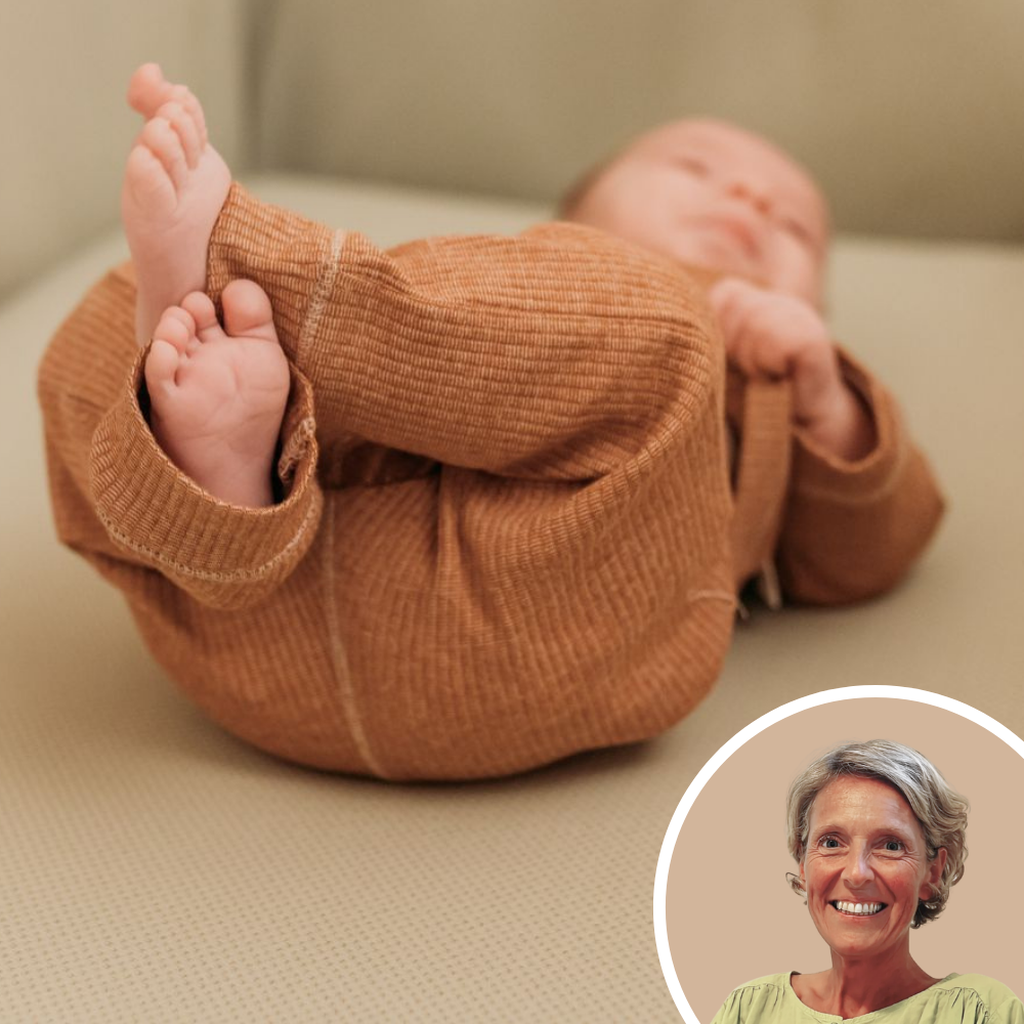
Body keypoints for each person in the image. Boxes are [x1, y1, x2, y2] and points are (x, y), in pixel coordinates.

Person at [37, 65, 941, 780]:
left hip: (543, 631)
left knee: (666, 326)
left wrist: (832, 404)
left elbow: (875, 548)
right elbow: (484, 323)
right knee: (98, 339)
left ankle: (233, 281)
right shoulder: (506, 294)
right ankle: (224, 474)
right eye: (695, 170)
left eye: (794, 228)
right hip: (249, 619)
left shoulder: (756, 382)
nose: (748, 204)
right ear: (564, 224)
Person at [710, 740, 1024, 1022]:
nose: (857, 874)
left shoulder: (979, 1011)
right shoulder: (749, 1008)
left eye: (890, 846)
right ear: (802, 864)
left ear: (933, 872)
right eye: (832, 843)